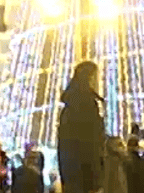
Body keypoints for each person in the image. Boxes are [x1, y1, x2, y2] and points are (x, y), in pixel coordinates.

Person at [57, 61, 105, 193]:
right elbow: (91, 146)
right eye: (94, 77)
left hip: (74, 179)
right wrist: (95, 181)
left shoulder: (70, 107)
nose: (97, 82)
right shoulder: (86, 106)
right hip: (85, 179)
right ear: (87, 79)